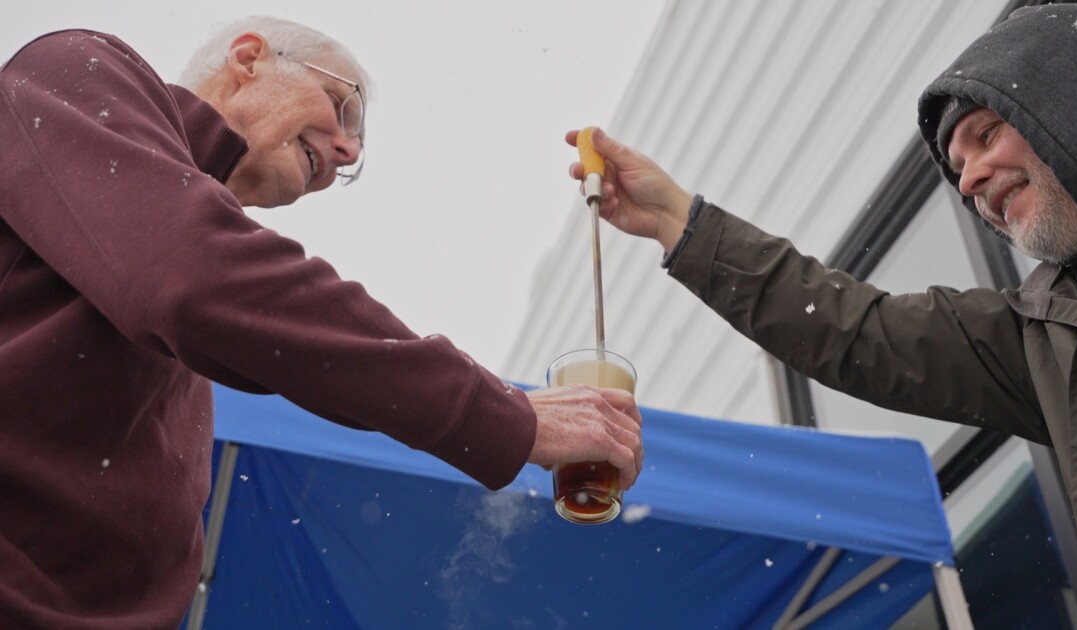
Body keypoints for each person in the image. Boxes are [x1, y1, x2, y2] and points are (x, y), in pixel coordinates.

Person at [0, 16, 643, 629]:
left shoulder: (203, 339)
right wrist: (503, 415)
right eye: (344, 108)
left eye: (355, 151)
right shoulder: (76, 71)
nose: (347, 150)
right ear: (249, 59)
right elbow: (192, 274)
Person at [568, 5, 1077, 628]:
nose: (972, 180)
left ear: (1073, 101)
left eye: (986, 135)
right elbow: (857, 328)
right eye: (959, 175)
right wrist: (675, 221)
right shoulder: (1048, 333)